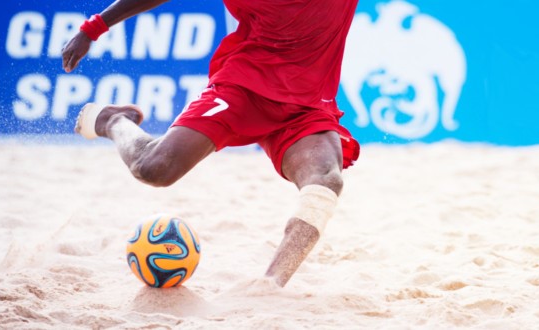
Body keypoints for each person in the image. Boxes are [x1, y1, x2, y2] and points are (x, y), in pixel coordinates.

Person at [62, 0, 360, 287]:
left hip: (307, 104)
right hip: (245, 87)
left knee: (325, 180)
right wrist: (94, 28)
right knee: (154, 168)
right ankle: (114, 121)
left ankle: (270, 285)